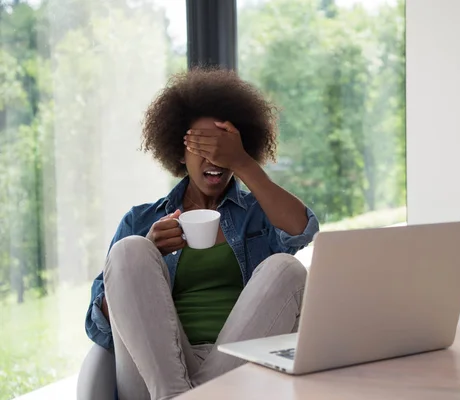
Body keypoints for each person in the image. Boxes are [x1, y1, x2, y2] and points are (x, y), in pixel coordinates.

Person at [84, 68, 319, 400]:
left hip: (235, 369)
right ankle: (177, 393)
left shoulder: (257, 213)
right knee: (130, 250)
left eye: (222, 146)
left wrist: (243, 162)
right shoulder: (141, 219)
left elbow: (302, 230)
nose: (214, 157)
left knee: (288, 267)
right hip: (155, 375)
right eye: (201, 145)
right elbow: (100, 328)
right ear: (179, 152)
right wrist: (148, 257)